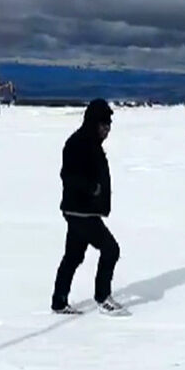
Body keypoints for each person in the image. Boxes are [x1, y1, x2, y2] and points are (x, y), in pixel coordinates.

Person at [51, 98, 127, 316]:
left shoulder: (92, 144)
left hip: (83, 210)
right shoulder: (78, 144)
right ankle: (103, 298)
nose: (107, 130)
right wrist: (91, 188)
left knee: (74, 256)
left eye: (109, 125)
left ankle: (59, 301)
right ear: (93, 123)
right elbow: (68, 175)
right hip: (80, 211)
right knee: (111, 249)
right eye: (104, 125)